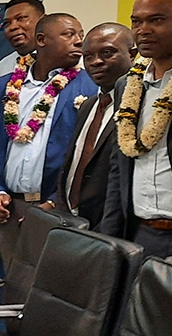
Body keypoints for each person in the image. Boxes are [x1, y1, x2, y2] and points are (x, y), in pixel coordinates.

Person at [0, 13, 95, 267]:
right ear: (41, 40)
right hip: (9, 209)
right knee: (16, 290)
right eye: (69, 34)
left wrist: (55, 201)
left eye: (80, 35)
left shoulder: (90, 86)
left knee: (56, 295)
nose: (78, 42)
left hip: (58, 211)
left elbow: (87, 156)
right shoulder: (1, 87)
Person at [100, 0, 172, 259]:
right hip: (137, 235)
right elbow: (117, 168)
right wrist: (109, 239)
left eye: (156, 20)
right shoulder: (127, 85)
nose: (143, 30)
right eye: (136, 21)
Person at [55, 23, 135, 228]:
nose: (96, 62)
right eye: (88, 56)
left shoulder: (138, 105)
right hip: (73, 220)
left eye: (107, 53)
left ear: (133, 54)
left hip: (112, 226)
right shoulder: (88, 105)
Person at [0, 0, 46, 79]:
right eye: (7, 23)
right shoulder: (2, 68)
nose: (13, 27)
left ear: (43, 20)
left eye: (21, 18)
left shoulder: (63, 59)